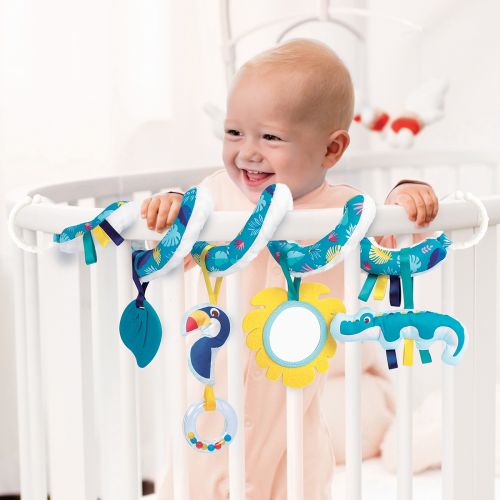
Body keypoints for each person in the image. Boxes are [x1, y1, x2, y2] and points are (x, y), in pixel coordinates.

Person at [143, 39, 439, 499]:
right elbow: (169, 246)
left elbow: (396, 242)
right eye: (234, 133)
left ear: (331, 149)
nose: (248, 152)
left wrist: (406, 197)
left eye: (271, 137)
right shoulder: (214, 197)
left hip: (293, 431)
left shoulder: (343, 212)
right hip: (208, 419)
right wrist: (168, 208)